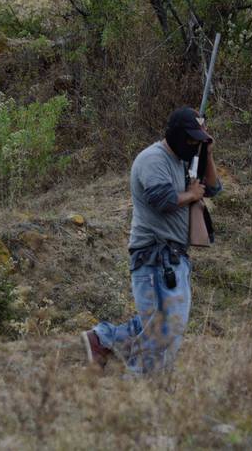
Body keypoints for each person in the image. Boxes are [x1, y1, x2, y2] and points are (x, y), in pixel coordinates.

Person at [81, 107, 222, 374]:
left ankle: (102, 339)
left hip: (174, 257)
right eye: (191, 139)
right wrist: (191, 195)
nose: (193, 145)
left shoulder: (185, 160)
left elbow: (213, 188)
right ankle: (141, 385)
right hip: (156, 256)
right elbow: (163, 200)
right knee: (164, 329)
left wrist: (207, 154)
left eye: (197, 140)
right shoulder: (153, 159)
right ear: (177, 135)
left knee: (164, 322)